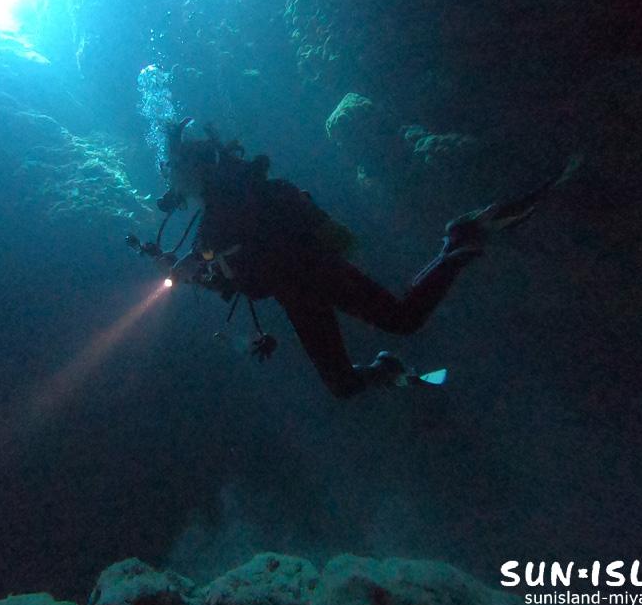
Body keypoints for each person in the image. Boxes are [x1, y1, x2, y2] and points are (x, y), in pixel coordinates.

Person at [139, 118, 567, 398]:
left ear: (190, 168)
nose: (171, 184)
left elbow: (231, 261)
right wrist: (197, 269)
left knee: (402, 320)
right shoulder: (220, 207)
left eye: (171, 171)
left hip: (314, 272)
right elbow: (235, 272)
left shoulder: (221, 209)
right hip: (298, 292)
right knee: (346, 381)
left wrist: (194, 267)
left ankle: (460, 239)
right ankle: (386, 366)